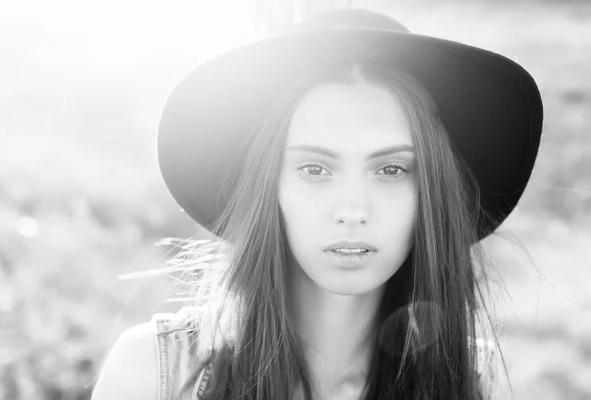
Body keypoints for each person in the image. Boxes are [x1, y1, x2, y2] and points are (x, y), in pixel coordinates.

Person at [91, 8, 543, 400]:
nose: (352, 209)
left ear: (432, 194)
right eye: (315, 170)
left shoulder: (473, 381)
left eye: (391, 170)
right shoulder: (156, 375)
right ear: (271, 189)